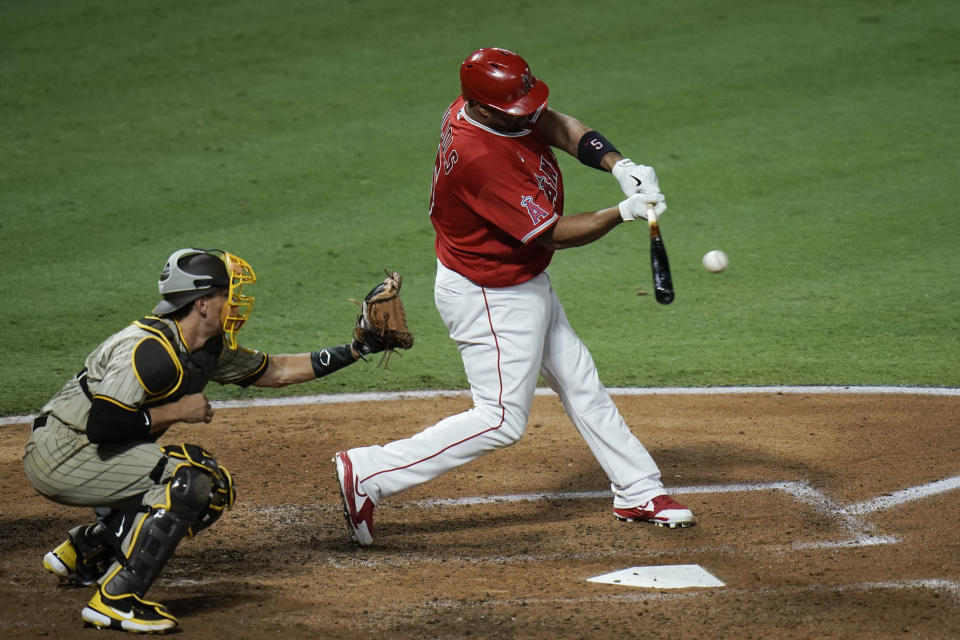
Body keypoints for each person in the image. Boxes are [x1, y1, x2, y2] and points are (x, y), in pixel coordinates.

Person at [333, 46, 694, 547]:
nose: (524, 116)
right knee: (500, 420)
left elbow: (555, 125)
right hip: (490, 295)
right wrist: (623, 211)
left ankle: (638, 488)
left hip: (517, 280)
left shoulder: (483, 107)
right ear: (481, 107)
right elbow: (554, 233)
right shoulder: (482, 159)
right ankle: (369, 471)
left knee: (580, 380)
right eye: (512, 110)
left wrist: (618, 163)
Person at [23, 248, 385, 634]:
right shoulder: (149, 351)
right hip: (63, 453)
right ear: (201, 304)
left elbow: (275, 370)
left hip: (91, 449)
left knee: (211, 486)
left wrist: (356, 349)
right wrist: (178, 411)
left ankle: (86, 554)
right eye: (227, 294)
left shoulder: (204, 348)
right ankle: (115, 600)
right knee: (187, 481)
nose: (235, 303)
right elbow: (104, 424)